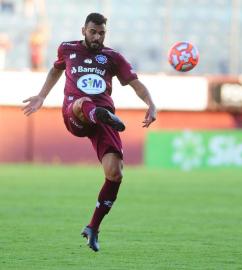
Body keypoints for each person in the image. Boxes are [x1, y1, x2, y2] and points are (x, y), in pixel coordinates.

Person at [22, 13, 157, 252]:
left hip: (105, 117)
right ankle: (96, 113)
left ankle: (93, 227)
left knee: (115, 173)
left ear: (106, 33)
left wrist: (151, 104)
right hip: (76, 114)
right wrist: (42, 96)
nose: (97, 37)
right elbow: (55, 70)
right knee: (83, 101)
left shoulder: (113, 57)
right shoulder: (67, 49)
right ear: (84, 30)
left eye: (102, 33)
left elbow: (135, 83)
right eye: (93, 32)